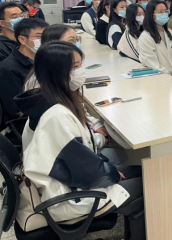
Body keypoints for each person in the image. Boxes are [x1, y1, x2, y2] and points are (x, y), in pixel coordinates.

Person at [15, 42, 145, 239]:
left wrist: (109, 171)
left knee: (140, 171)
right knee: (148, 187)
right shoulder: (56, 115)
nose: (80, 71)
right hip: (67, 197)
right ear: (57, 72)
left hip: (67, 182)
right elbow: (86, 171)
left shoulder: (47, 101)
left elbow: (79, 159)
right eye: (75, 67)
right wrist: (112, 173)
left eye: (80, 64)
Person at [25, 24, 127, 165]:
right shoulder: (50, 101)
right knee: (120, 154)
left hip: (65, 153)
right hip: (62, 164)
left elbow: (78, 108)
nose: (76, 44)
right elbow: (78, 145)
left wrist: (95, 124)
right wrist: (100, 139)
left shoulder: (54, 80)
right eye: (71, 41)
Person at [0, 18, 48, 120]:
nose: (45, 40)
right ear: (22, 39)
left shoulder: (44, 59)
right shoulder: (8, 69)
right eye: (39, 37)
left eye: (46, 36)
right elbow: (16, 110)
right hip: (30, 121)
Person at [138, 1, 172, 81]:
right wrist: (171, 78)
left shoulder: (169, 32)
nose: (164, 14)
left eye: (166, 11)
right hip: (158, 79)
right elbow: (153, 64)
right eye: (160, 12)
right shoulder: (145, 37)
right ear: (151, 14)